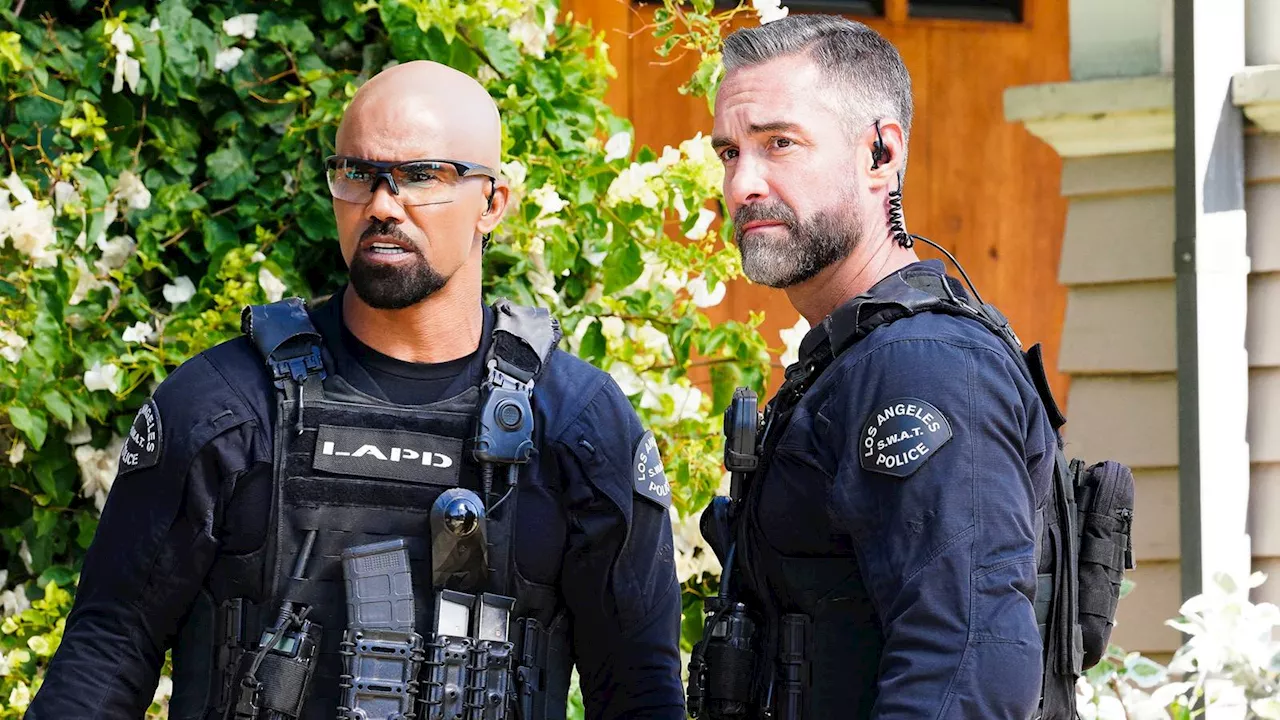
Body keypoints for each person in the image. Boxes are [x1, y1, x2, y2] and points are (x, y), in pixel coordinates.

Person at [27, 60, 685, 720]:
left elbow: (639, 689)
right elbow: (108, 651)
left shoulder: (578, 425)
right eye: (357, 173)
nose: (381, 205)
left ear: (491, 203)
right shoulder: (223, 407)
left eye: (421, 175)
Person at [686, 15, 1057, 719]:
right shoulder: (854, 359)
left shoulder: (923, 367)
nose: (741, 185)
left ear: (880, 154)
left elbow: (965, 670)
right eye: (730, 153)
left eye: (779, 143)